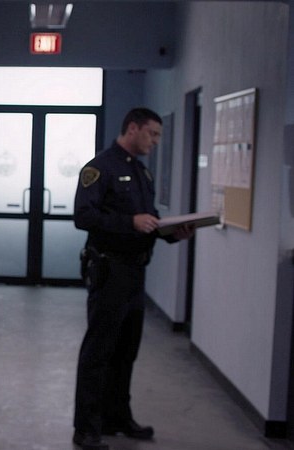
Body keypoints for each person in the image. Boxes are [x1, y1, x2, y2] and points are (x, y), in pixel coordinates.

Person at [72, 108, 193, 450]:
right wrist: (129, 223)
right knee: (99, 351)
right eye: (152, 134)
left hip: (136, 272)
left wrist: (173, 234)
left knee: (126, 350)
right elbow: (83, 216)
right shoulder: (100, 168)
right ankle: (86, 427)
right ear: (133, 128)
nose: (155, 141)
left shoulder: (142, 172)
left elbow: (148, 221)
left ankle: (117, 418)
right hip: (110, 270)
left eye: (158, 136)